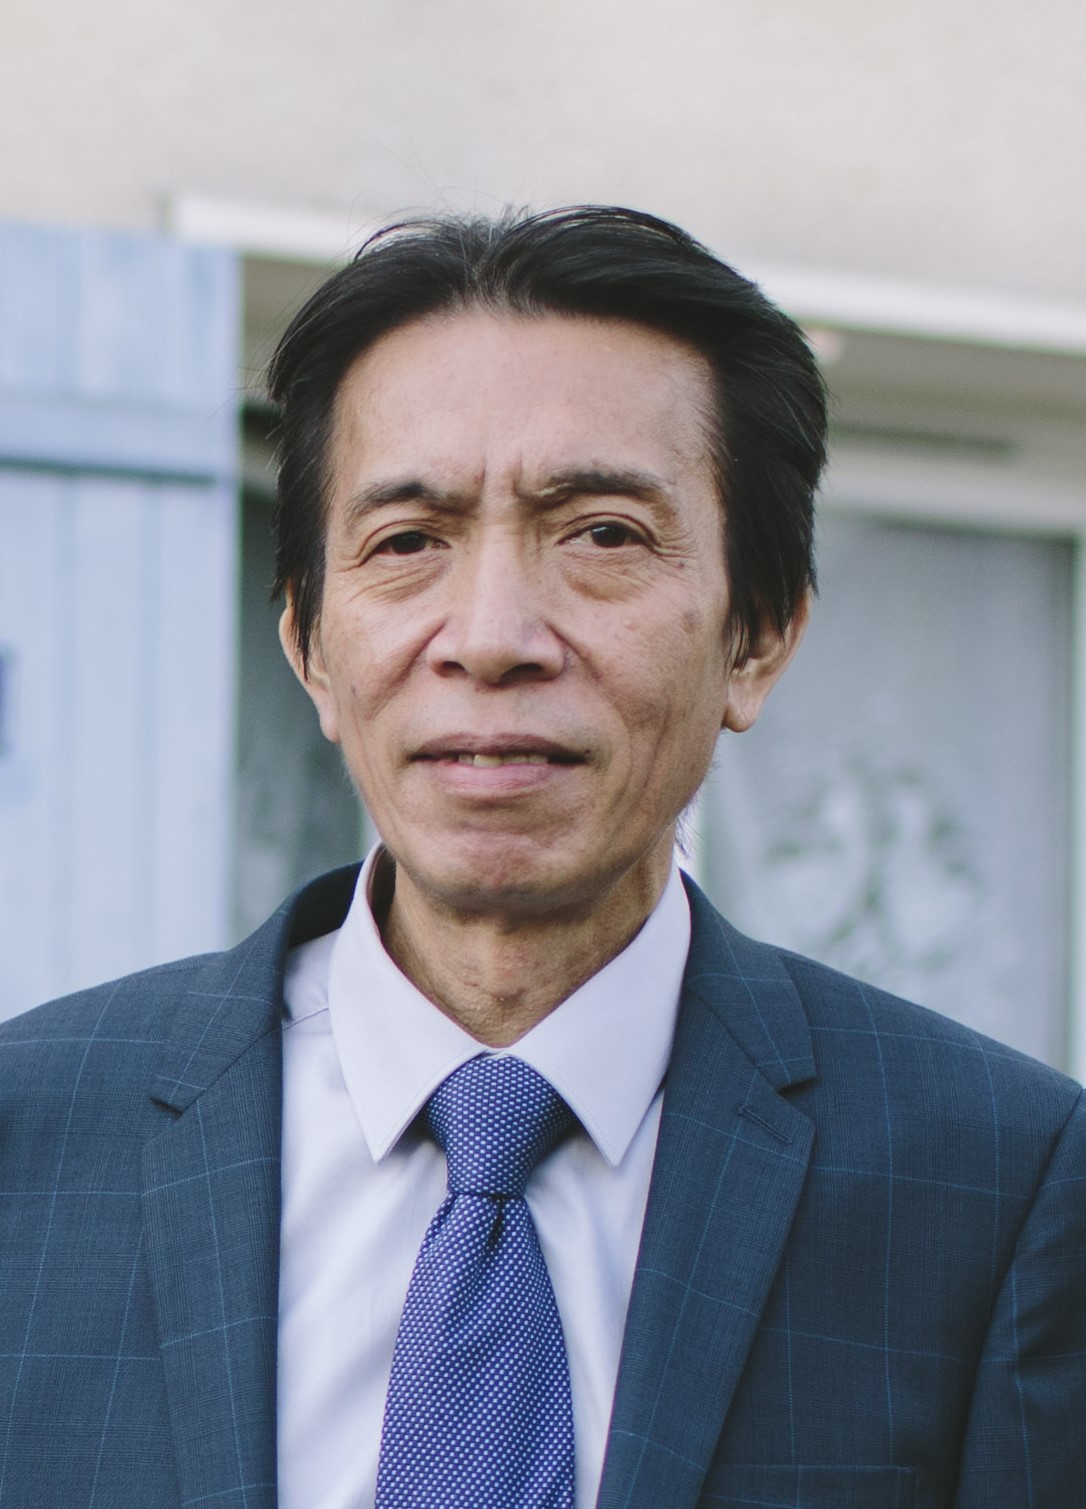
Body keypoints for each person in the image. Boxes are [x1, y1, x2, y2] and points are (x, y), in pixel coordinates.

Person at [0, 207, 1082, 1509]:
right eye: (408, 542)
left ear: (757, 636)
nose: (492, 636)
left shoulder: (995, 1182)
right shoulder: (29, 1140)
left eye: (603, 534)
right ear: (310, 649)